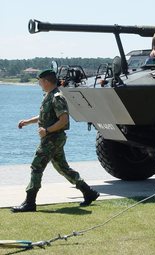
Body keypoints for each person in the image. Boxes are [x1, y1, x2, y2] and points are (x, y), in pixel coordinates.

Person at [11, 69, 99, 212]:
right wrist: (27, 122)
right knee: (63, 168)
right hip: (52, 138)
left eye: (40, 81)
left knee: (36, 166)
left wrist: (46, 131)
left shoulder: (57, 97)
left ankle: (30, 202)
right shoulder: (49, 96)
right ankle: (89, 193)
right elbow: (45, 117)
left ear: (45, 81)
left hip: (53, 138)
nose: (39, 84)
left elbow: (63, 120)